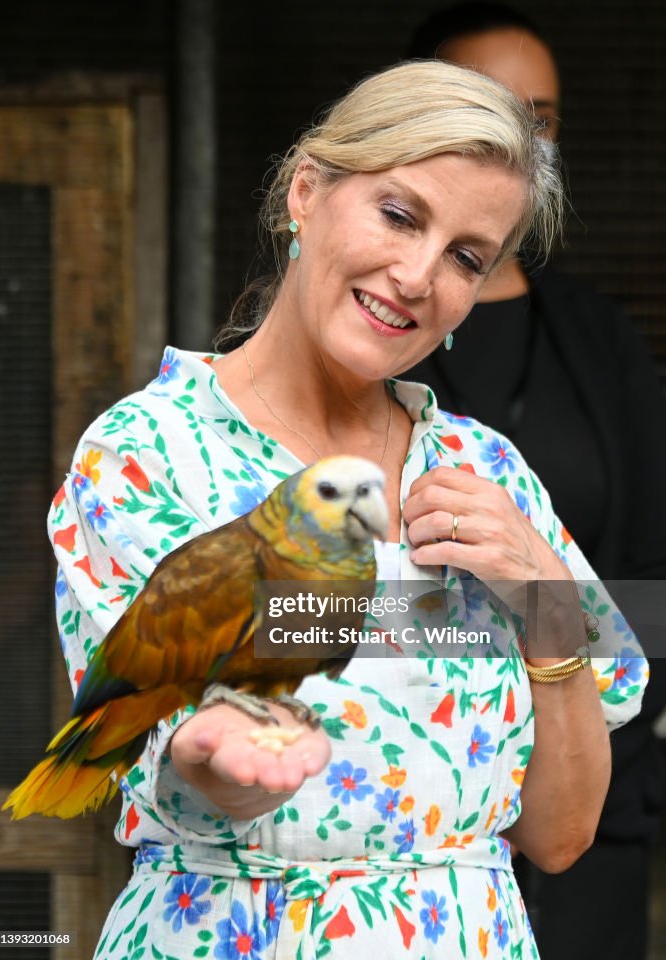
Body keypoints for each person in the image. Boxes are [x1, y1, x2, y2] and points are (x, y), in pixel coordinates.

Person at [49, 60, 646, 960]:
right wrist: (224, 759)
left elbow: (558, 840)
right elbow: (192, 784)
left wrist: (543, 600)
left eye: (464, 258)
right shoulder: (149, 454)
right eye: (399, 214)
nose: (416, 274)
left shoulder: (487, 472)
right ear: (305, 191)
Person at [403, 3, 666, 960]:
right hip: (405, 803)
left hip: (597, 786)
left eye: (541, 115)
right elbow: (300, 605)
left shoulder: (599, 338)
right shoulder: (365, 332)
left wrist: (584, 722)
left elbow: (651, 582)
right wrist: (534, 616)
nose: (518, 135)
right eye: (486, 102)